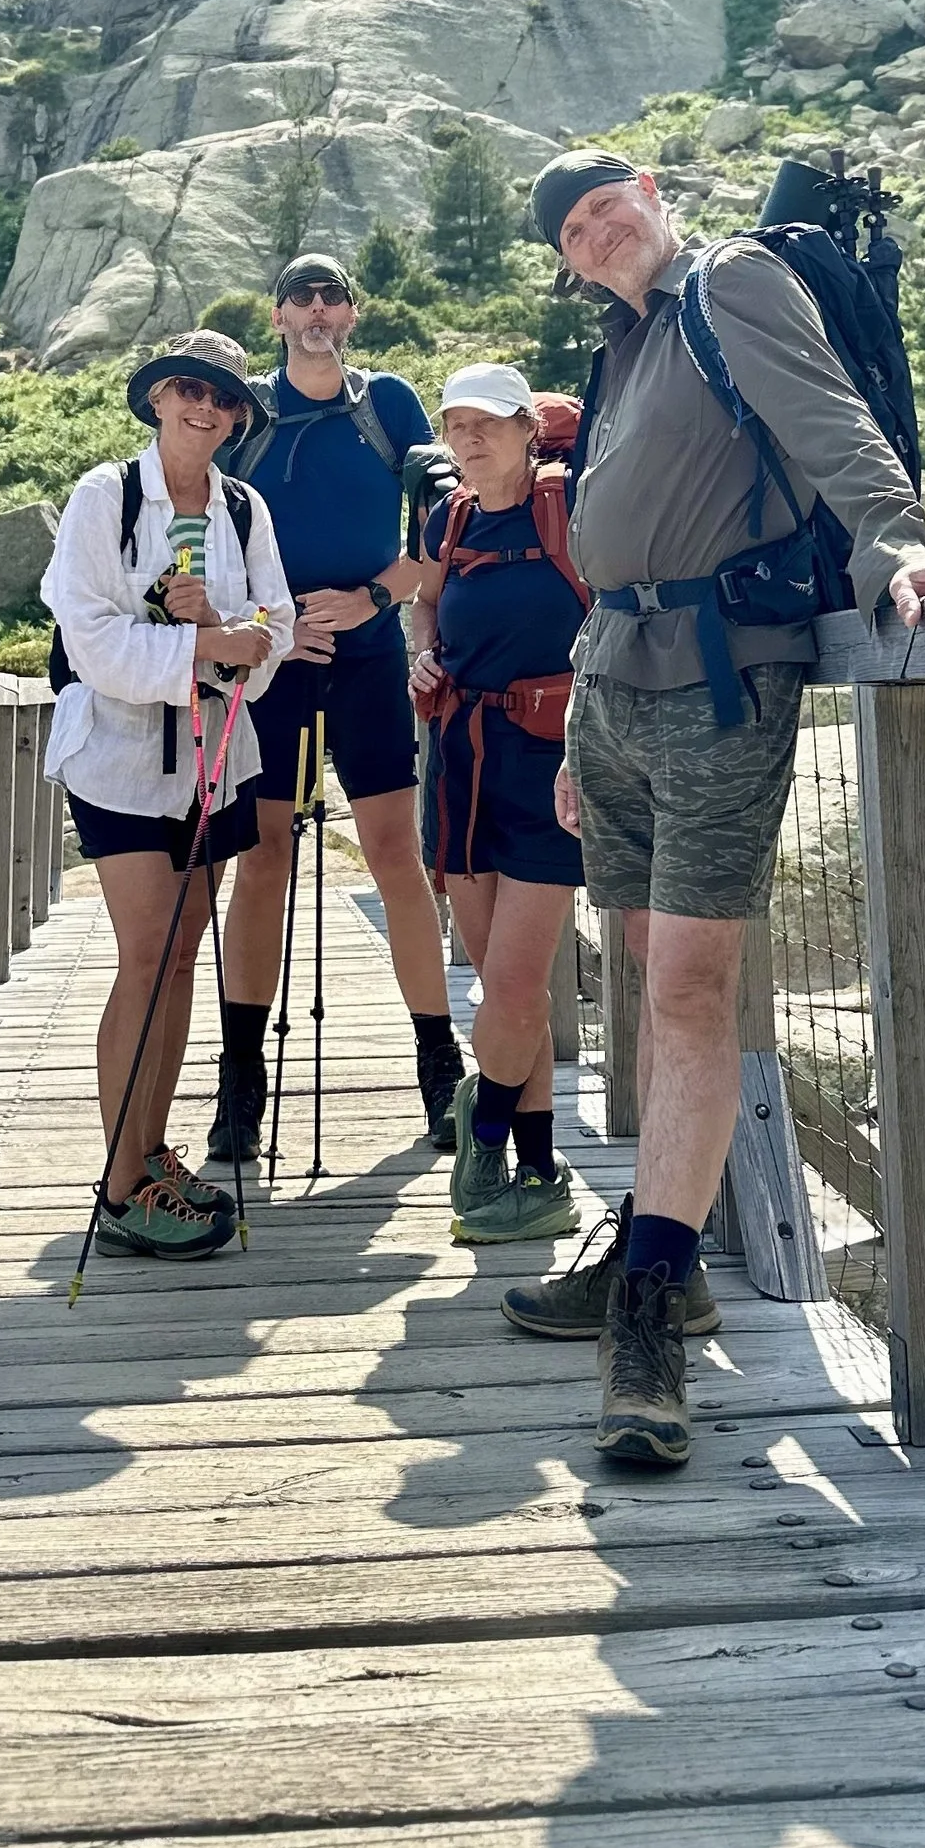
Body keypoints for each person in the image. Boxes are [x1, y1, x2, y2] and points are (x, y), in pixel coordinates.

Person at [506, 150, 925, 1468]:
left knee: (685, 988)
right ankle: (660, 1245)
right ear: (567, 260)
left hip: (721, 684)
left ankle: (653, 1310)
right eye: (574, 229)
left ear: (652, 192)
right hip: (612, 682)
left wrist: (893, 547)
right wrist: (581, 710)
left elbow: (832, 425)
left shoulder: (731, 281)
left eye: (608, 206)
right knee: (645, 986)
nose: (598, 232)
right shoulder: (628, 345)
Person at [43, 329, 295, 1260]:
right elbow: (92, 640)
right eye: (189, 388)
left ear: (236, 416)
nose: (205, 407)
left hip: (211, 756)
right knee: (149, 950)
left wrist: (232, 632)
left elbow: (278, 618)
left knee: (186, 947)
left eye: (224, 398)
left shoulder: (242, 506)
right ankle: (118, 1186)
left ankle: (148, 1151)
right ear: (158, 399)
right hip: (116, 757)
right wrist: (204, 645)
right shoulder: (102, 498)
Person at [210, 253, 460, 1157]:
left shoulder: (389, 403)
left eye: (333, 295)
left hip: (364, 656)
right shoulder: (247, 410)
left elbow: (439, 533)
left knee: (397, 854)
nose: (318, 309)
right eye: (302, 296)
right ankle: (240, 1082)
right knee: (263, 859)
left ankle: (440, 1066)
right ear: (277, 313)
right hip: (272, 665)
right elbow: (211, 534)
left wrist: (370, 601)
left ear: (352, 312)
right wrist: (272, 625)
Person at [410, 362, 588, 1244]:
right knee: (504, 995)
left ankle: (482, 1146)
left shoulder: (574, 509)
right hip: (462, 763)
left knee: (514, 984)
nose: (469, 440)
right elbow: (427, 604)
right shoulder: (449, 520)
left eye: (486, 423)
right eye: (455, 425)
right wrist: (423, 651)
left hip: (554, 769)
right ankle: (544, 1173)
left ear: (526, 427)